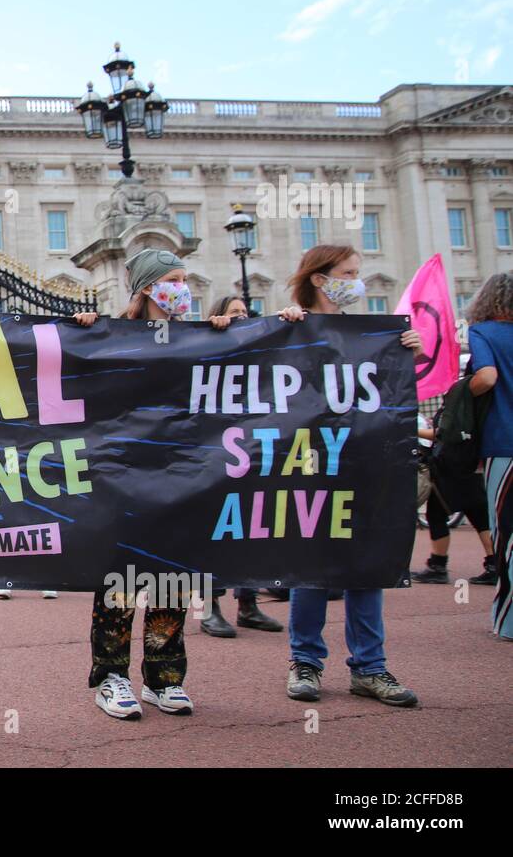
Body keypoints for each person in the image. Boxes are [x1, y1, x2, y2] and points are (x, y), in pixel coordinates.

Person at [72, 249, 236, 720]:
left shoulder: (200, 336)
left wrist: (286, 321)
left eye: (184, 279)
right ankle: (111, 677)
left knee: (173, 577)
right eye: (175, 279)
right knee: (120, 581)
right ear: (147, 288)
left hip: (182, 475)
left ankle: (165, 677)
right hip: (122, 476)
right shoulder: (110, 336)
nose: (184, 287)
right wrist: (76, 329)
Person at [278, 244, 422, 706]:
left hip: (364, 462)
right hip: (311, 462)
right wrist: (279, 328)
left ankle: (370, 667)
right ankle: (305, 662)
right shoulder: (294, 327)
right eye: (348, 272)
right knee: (311, 565)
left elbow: (388, 392)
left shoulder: (372, 334)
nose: (357, 280)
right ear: (320, 279)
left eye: (358, 272)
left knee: (367, 563)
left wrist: (410, 357)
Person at [198, 296, 284, 637]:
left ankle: (248, 604)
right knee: (213, 534)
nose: (242, 318)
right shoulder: (204, 347)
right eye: (234, 313)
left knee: (249, 530)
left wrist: (287, 320)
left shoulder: (257, 350)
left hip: (250, 452)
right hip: (213, 455)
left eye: (246, 313)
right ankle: (209, 607)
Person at [466, 271, 513, 639]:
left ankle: (509, 620)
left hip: (504, 442)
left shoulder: (483, 332)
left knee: (508, 533)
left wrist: (465, 393)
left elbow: (487, 377)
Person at [413, 413, 498, 585]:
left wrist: (413, 430)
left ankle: (438, 566)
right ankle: (494, 564)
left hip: (449, 469)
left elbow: (440, 434)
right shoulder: (474, 406)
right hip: (470, 467)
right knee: (481, 519)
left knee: (436, 516)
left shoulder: (457, 403)